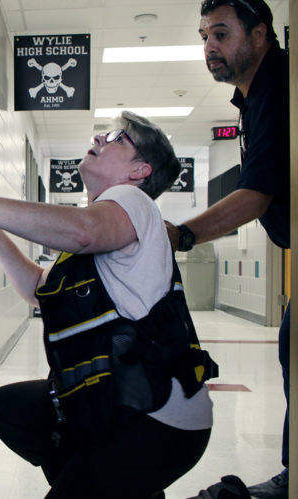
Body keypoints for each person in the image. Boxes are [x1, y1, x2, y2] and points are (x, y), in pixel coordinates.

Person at [0, 111, 218, 498]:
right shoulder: (105, 222)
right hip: (113, 403)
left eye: (118, 139)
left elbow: (83, 232)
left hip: (156, 419)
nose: (100, 139)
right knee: (9, 409)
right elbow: (40, 288)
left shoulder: (133, 202)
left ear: (140, 170)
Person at [169, 1, 290, 496]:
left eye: (221, 34)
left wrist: (180, 235)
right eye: (204, 36)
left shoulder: (279, 90)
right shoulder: (254, 98)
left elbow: (255, 193)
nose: (209, 47)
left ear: (260, 35)